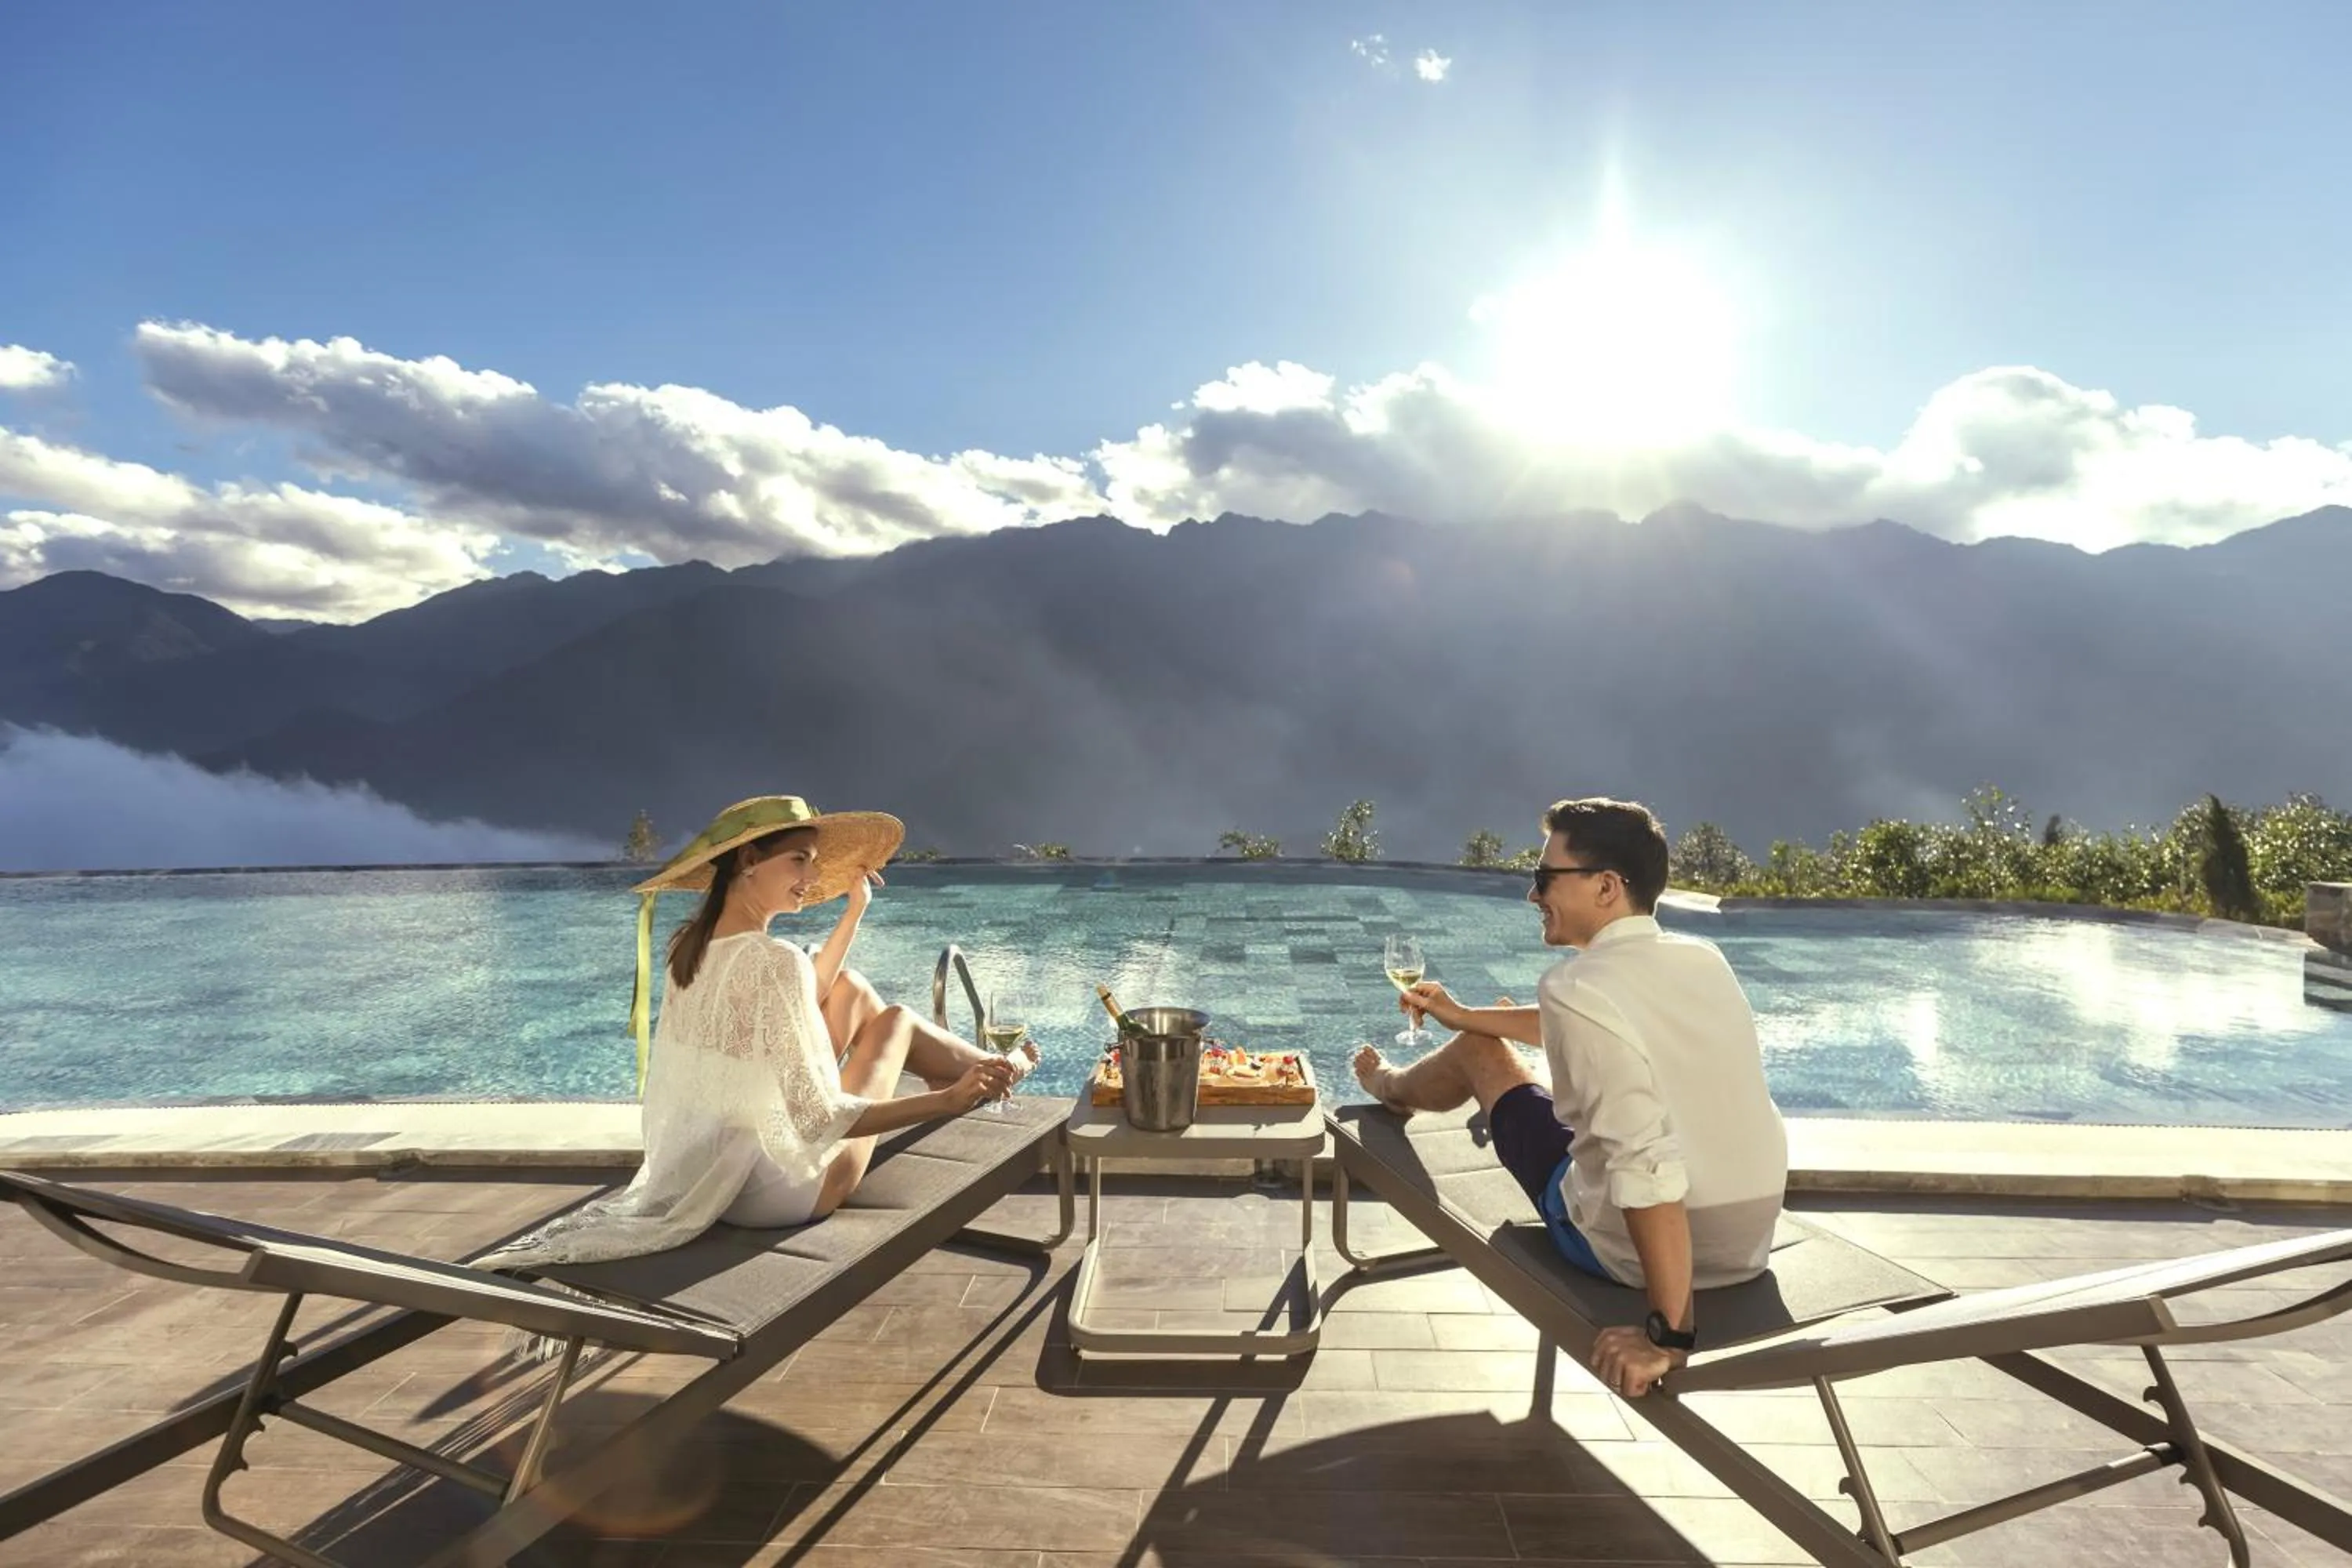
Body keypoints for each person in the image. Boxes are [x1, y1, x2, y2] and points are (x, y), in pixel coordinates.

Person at [1351, 797, 1786, 1399]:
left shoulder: (1575, 987)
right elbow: (1593, 1019)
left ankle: (1390, 1088)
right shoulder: (1700, 960)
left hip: (1626, 1253)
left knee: (1479, 1053)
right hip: (1745, 1244)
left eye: (1545, 877)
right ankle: (1411, 1075)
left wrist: (1669, 1336)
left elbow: (1645, 1163)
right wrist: (1464, 1012)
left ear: (1606, 886)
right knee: (1487, 1040)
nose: (1533, 895)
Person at [488, 795, 1033, 1271]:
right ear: (749, 861)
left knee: (852, 988)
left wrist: (854, 912)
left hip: (721, 1176)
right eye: (799, 860)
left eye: (814, 863)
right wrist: (946, 1103)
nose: (812, 878)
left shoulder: (689, 946)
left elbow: (807, 995)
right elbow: (818, 1120)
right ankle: (994, 1072)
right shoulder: (775, 961)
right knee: (897, 1021)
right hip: (785, 1193)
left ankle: (981, 1069)